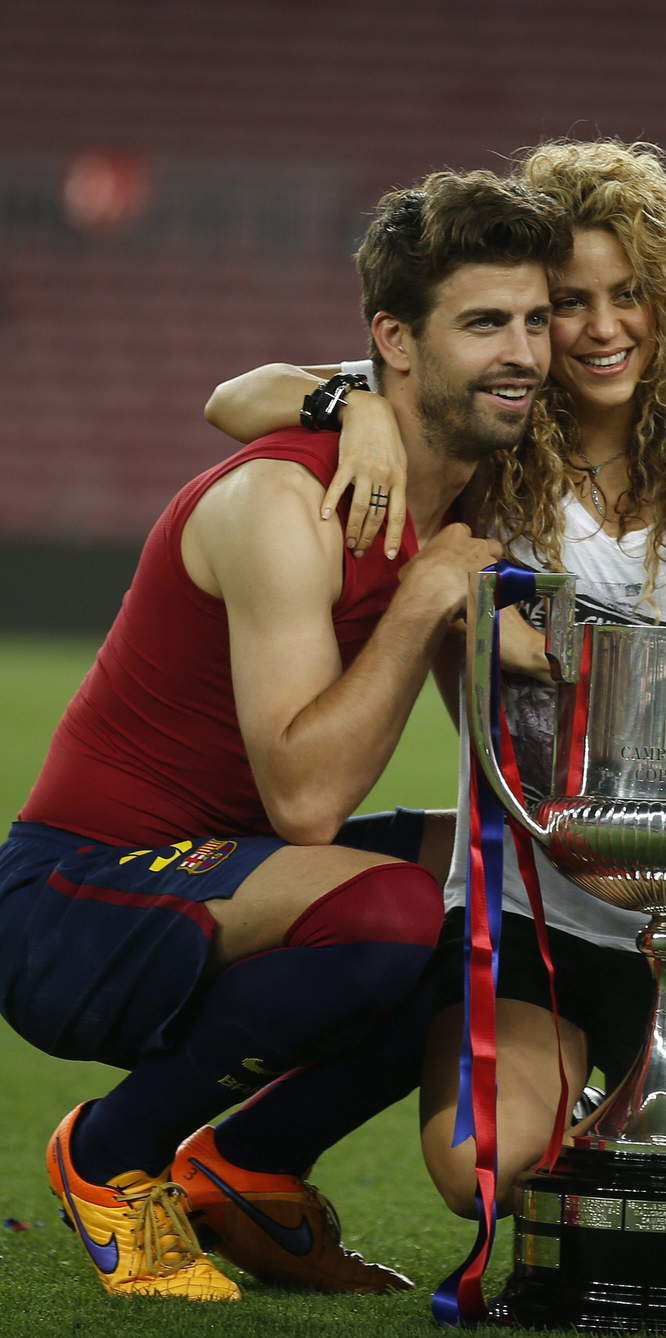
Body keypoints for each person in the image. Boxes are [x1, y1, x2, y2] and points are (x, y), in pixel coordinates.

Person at [203, 140, 666, 1224]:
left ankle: (607, 1123)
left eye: (631, 294)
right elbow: (233, 398)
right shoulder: (493, 445)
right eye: (569, 302)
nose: (603, 327)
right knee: (482, 1168)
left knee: (660, 1179)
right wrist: (358, 410)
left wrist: (546, 651)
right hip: (538, 891)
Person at [0, 169, 571, 1301]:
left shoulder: (461, 494)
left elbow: (486, 753)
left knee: (501, 877)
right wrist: (425, 600)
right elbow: (307, 806)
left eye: (535, 320)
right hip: (78, 900)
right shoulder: (282, 504)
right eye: (484, 324)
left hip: (230, 867)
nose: (522, 352)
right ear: (395, 342)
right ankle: (109, 1156)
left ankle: (249, 1167)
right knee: (387, 907)